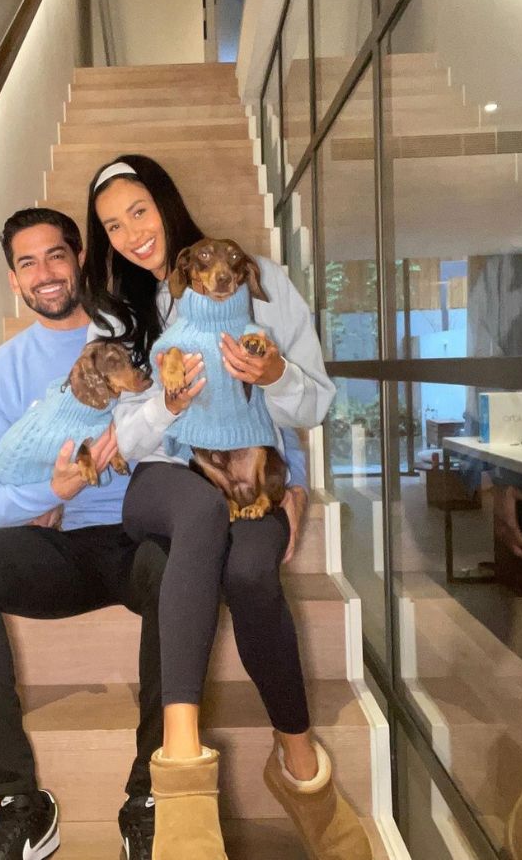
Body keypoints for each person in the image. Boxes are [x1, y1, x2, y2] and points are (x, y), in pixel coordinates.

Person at [80, 155, 370, 860]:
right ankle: (181, 769)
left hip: (248, 472)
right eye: (112, 225)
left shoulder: (260, 282)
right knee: (201, 517)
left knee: (248, 575)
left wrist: (277, 390)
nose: (129, 234)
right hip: (163, 477)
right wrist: (165, 406)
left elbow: (317, 403)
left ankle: (298, 766)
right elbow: (118, 438)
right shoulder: (117, 318)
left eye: (139, 212)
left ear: (167, 203)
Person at [0, 207, 166, 860]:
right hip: (56, 552)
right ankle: (20, 801)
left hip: (140, 538)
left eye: (56, 256)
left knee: (179, 566)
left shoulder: (135, 341)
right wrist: (45, 493)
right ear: (14, 281)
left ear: (80, 258)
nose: (45, 273)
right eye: (28, 263)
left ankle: (150, 793)